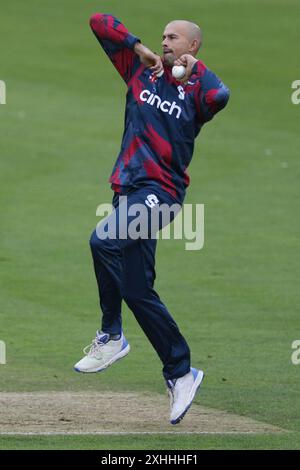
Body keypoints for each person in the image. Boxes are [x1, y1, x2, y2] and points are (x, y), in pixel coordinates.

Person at [74, 12, 230, 425]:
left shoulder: (198, 91)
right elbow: (98, 21)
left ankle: (111, 335)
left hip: (160, 195)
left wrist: (193, 71)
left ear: (192, 46)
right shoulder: (141, 72)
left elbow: (221, 96)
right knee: (138, 290)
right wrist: (138, 47)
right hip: (127, 192)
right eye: (163, 36)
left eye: (173, 37)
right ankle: (181, 372)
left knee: (102, 240)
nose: (165, 41)